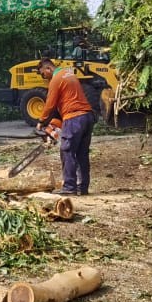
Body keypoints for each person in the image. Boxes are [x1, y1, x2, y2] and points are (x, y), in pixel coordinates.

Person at [36, 57, 97, 197]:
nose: (43, 77)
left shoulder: (56, 80)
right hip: (86, 116)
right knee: (82, 153)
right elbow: (61, 108)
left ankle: (69, 186)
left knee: (67, 151)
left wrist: (41, 122)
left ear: (48, 68)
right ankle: (83, 187)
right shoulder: (69, 74)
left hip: (74, 117)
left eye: (42, 74)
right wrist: (53, 127)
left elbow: (50, 105)